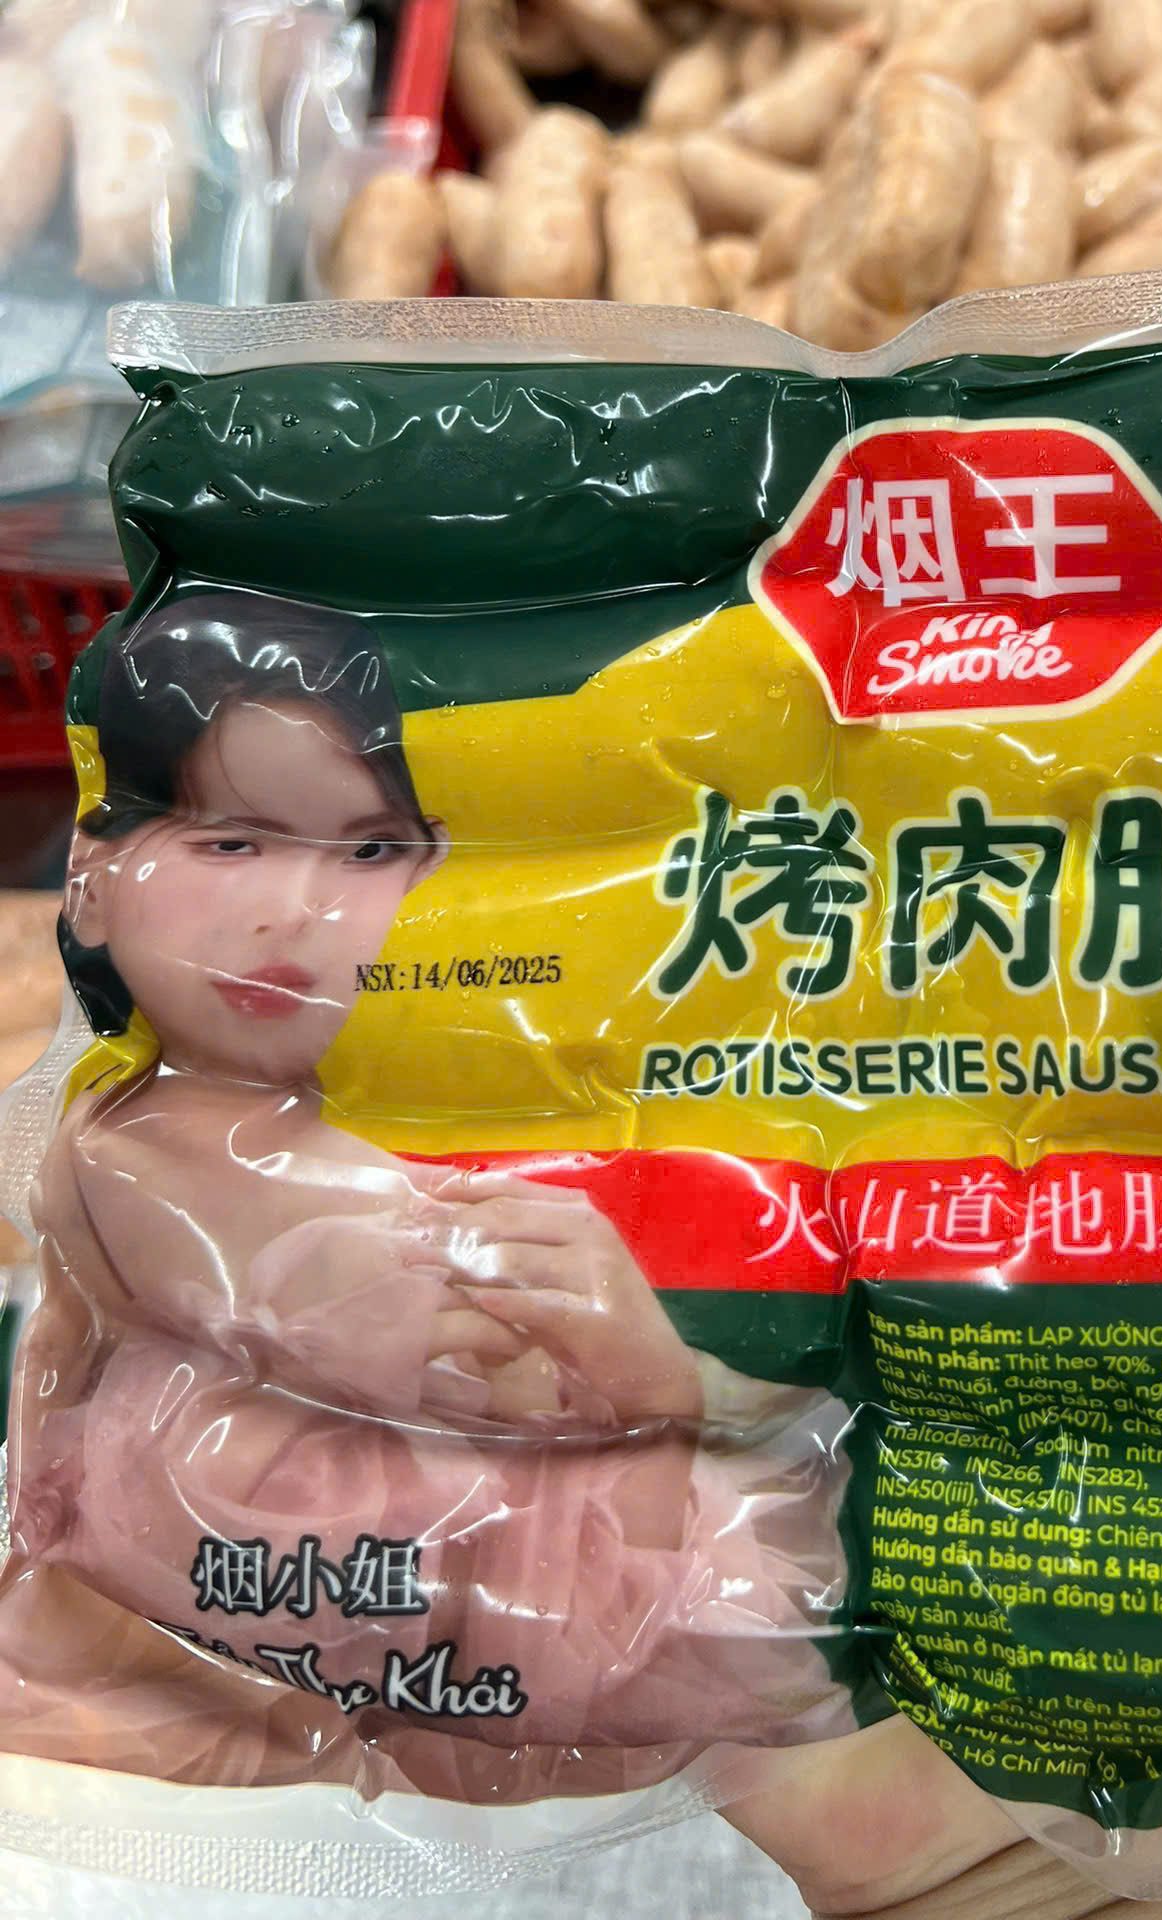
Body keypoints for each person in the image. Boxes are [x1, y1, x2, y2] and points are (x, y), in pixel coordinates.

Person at [7, 589, 851, 1769]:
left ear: (433, 875)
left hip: (442, 1652)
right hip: (218, 1638)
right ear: (94, 874)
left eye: (366, 850)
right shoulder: (110, 1138)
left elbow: (619, 1564)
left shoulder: (446, 1190)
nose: (293, 911)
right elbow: (62, 1343)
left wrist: (656, 1392)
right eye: (230, 842)